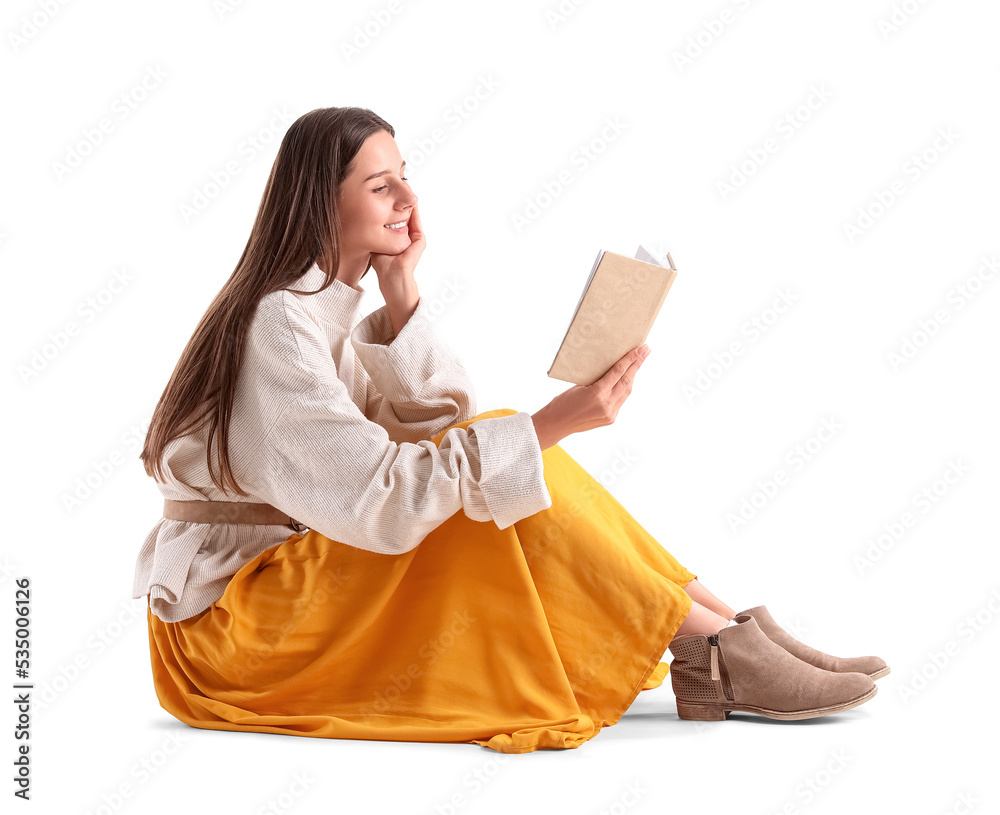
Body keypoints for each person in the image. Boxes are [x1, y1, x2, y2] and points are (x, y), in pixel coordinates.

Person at [133, 106, 889, 754]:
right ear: (319, 202)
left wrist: (402, 299)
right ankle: (717, 646)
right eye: (380, 183)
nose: (407, 196)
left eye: (405, 174)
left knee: (502, 453)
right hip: (235, 636)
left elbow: (438, 440)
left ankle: (722, 628)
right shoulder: (280, 323)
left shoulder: (316, 305)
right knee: (507, 450)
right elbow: (387, 501)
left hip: (285, 597)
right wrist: (550, 424)